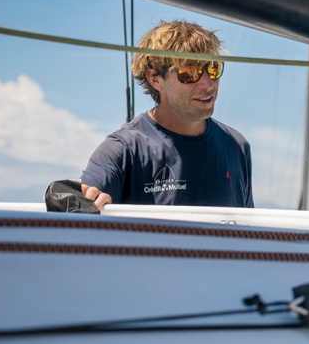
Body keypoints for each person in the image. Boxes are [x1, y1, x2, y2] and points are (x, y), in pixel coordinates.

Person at [80, 20, 253, 210]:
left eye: (213, 68)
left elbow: (248, 225)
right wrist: (82, 199)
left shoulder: (236, 146)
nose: (208, 84)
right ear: (155, 79)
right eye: (190, 72)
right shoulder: (124, 149)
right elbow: (79, 199)